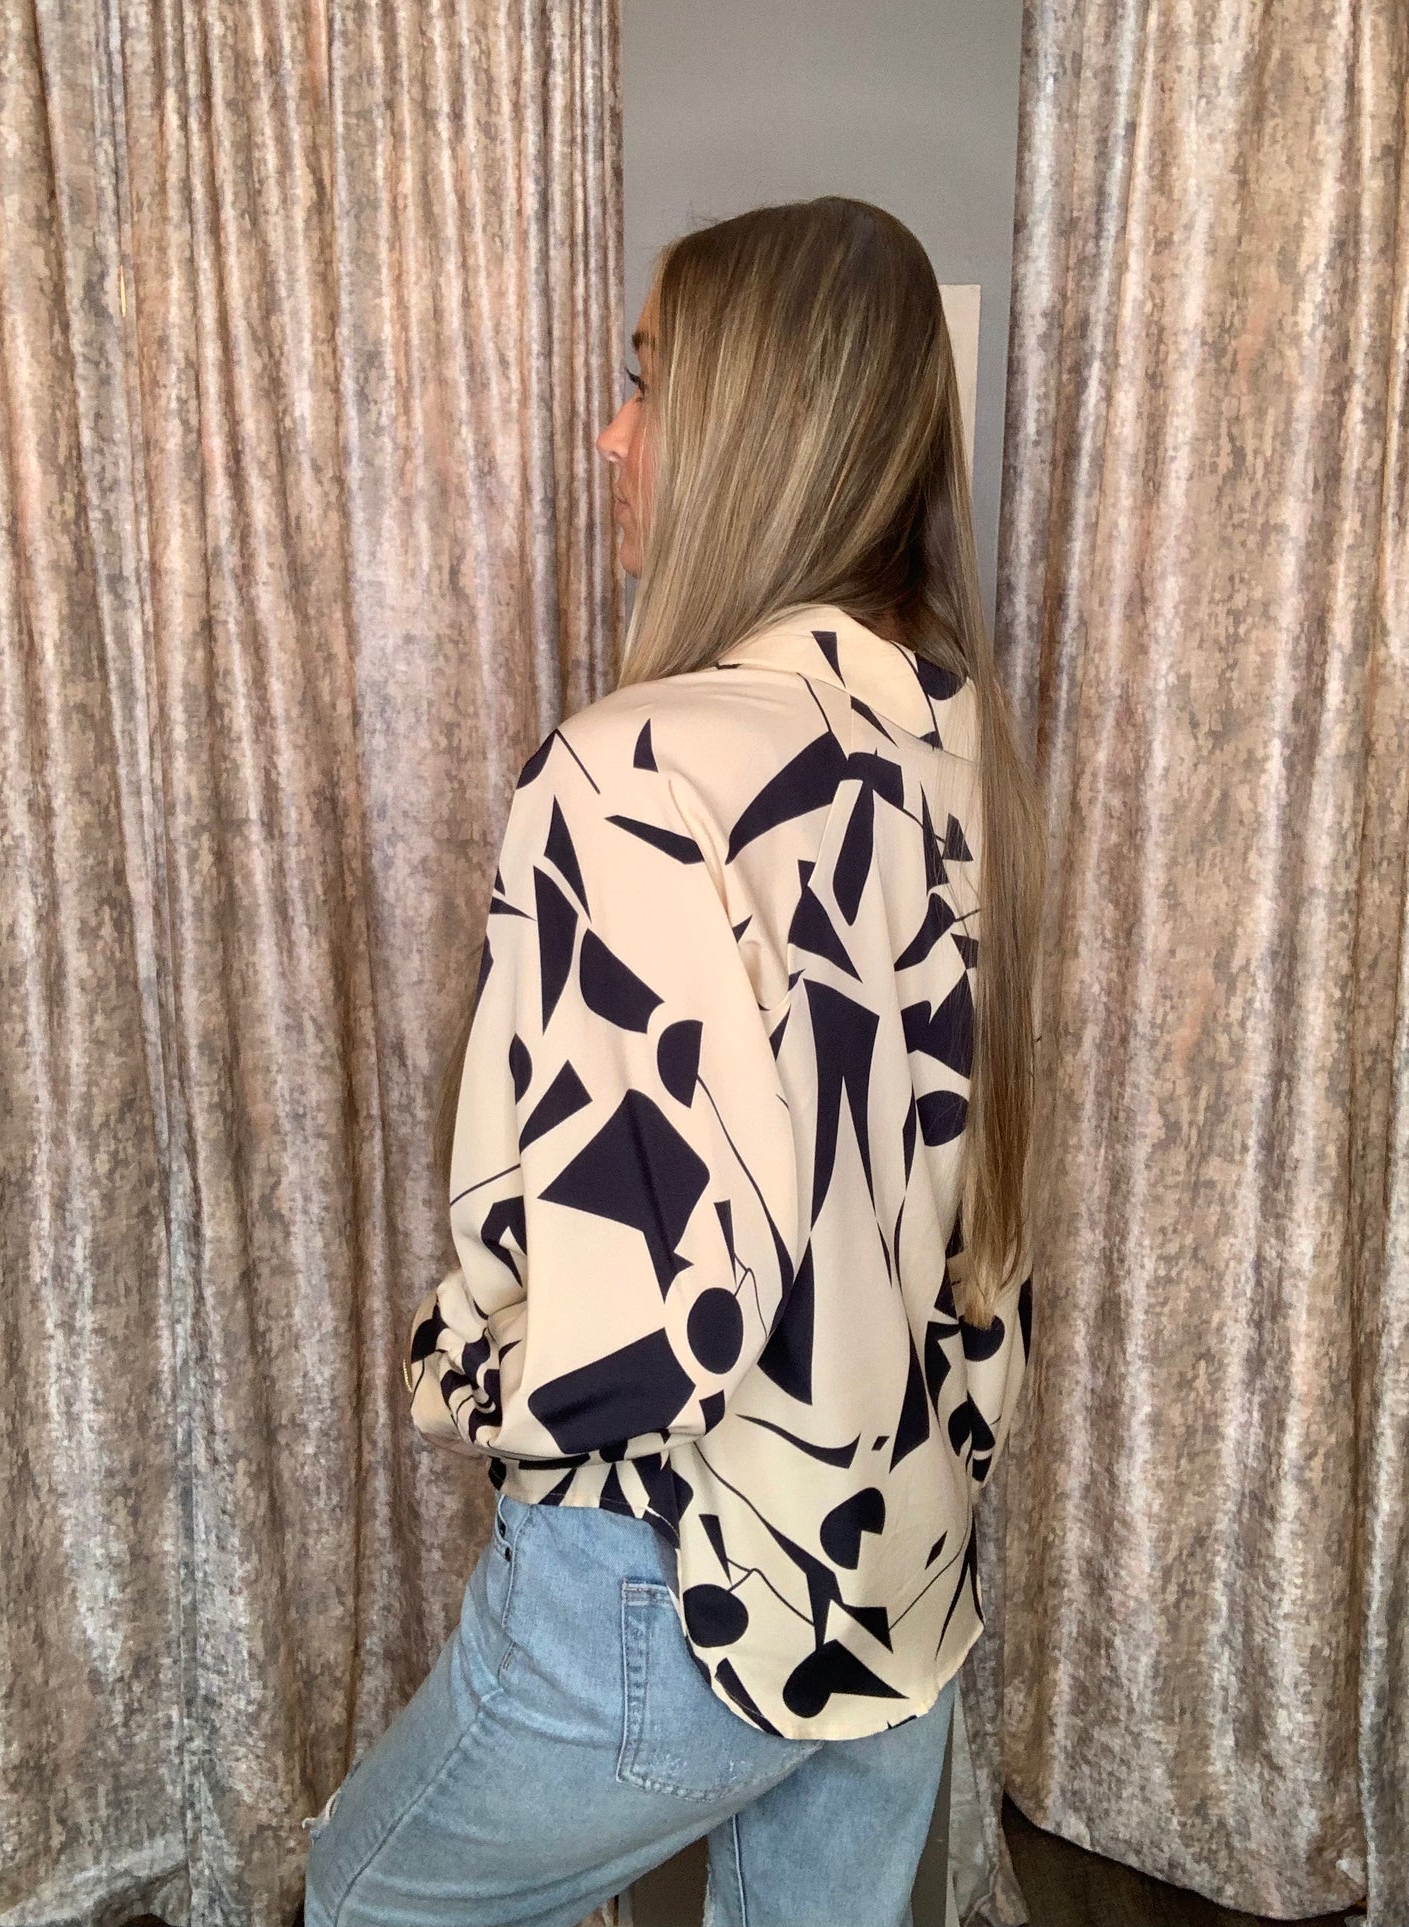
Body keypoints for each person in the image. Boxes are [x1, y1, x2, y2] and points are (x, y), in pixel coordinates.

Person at [304, 196, 1042, 1927]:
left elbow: (651, 1334)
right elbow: (960, 1214)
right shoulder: (949, 734)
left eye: (647, 383)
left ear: (754, 430)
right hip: (897, 1553)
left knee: (364, 1899)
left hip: (678, 1572)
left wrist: (456, 1375)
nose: (610, 436)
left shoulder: (635, 768)